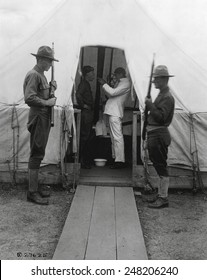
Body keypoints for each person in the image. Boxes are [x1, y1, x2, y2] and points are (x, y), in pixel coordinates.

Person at [23, 46, 58, 205]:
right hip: (38, 118)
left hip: (43, 118)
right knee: (36, 153)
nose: (51, 64)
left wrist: (52, 89)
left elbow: (41, 93)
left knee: (39, 152)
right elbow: (29, 98)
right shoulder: (34, 75)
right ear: (41, 60)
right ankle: (32, 192)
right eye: (49, 61)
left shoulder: (42, 76)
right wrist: (47, 102)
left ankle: (34, 187)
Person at [144, 65, 175, 208]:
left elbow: (161, 117)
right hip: (155, 134)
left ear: (164, 79)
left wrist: (150, 105)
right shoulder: (163, 94)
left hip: (158, 134)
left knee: (161, 166)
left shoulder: (167, 97)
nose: (154, 82)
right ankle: (161, 194)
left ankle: (163, 198)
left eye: (156, 79)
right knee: (158, 163)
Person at [98, 67, 131, 169]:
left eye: (116, 74)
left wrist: (104, 84)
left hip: (115, 113)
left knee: (117, 137)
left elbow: (112, 93)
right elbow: (112, 94)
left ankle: (120, 161)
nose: (115, 76)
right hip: (113, 112)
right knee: (114, 137)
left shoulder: (125, 83)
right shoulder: (121, 83)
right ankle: (116, 159)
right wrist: (108, 85)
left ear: (120, 74)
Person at [76, 65, 95, 169]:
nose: (93, 75)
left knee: (86, 137)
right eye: (92, 73)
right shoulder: (84, 84)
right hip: (85, 113)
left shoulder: (86, 83)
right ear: (87, 74)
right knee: (84, 137)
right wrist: (83, 105)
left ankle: (82, 160)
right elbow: (78, 94)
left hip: (88, 113)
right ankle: (81, 161)